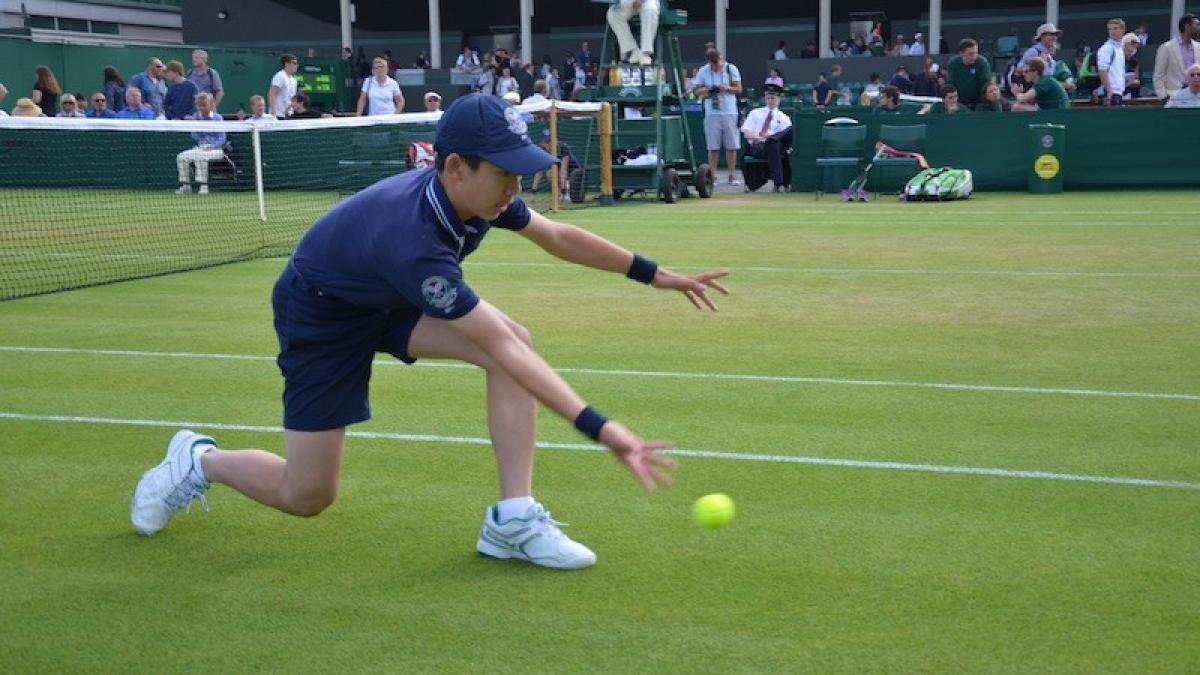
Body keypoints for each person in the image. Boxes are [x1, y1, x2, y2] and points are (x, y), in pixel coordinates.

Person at [130, 93, 726, 571]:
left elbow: (560, 238)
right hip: (322, 314)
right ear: (455, 167)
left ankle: (512, 520)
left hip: (382, 295)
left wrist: (657, 276)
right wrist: (604, 430)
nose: (517, 187)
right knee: (307, 495)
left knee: (512, 340)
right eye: (505, 174)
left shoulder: (480, 198)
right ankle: (198, 461)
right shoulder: (414, 241)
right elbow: (495, 344)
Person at [692, 49, 743, 186]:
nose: (716, 66)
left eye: (717, 63)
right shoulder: (703, 71)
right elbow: (696, 91)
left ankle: (732, 175)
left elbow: (738, 89)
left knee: (731, 146)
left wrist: (725, 88)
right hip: (712, 112)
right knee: (713, 147)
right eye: (713, 64)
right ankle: (712, 176)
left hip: (729, 111)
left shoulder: (730, 69)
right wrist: (708, 90)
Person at [740, 83, 793, 192]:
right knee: (771, 143)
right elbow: (747, 133)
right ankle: (778, 183)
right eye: (768, 98)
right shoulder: (755, 113)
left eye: (773, 98)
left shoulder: (784, 118)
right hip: (757, 147)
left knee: (773, 143)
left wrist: (770, 139)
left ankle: (778, 184)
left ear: (778, 99)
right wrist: (760, 138)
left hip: (775, 148)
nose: (770, 100)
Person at [175, 92, 226, 195]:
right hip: (200, 147)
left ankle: (203, 185)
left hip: (216, 149)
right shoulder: (196, 117)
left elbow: (222, 138)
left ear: (211, 105)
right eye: (199, 105)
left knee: (200, 157)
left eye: (204, 105)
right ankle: (186, 186)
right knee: (181, 157)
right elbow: (194, 136)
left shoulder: (218, 118)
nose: (201, 108)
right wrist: (198, 123)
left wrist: (212, 146)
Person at [1153, 14, 1200, 100]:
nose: (1199, 28)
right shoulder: (1167, 48)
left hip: (1196, 98)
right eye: (1197, 25)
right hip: (1174, 97)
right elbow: (1158, 75)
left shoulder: (1198, 47)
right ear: (1187, 26)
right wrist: (1163, 97)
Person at [607, 0, 659, 65]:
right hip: (628, 2)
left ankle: (645, 53)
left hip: (647, 2)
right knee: (613, 13)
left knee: (650, 8)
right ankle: (634, 51)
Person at [946, 38, 993, 110]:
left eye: (976, 53)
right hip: (960, 104)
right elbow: (950, 85)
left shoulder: (982, 63)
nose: (974, 56)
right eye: (970, 54)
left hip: (980, 104)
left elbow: (986, 85)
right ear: (961, 53)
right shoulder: (953, 64)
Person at [1095, 19, 1128, 106]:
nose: (1112, 32)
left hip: (1118, 93)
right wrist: (1109, 91)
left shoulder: (1120, 49)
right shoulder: (1107, 48)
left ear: (1123, 30)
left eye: (1115, 28)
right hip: (1109, 94)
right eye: (1110, 29)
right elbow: (1102, 70)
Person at [269, 54, 299, 118]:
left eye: (296, 63)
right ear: (286, 64)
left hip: (288, 115)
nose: (296, 65)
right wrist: (273, 114)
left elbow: (292, 99)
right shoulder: (280, 76)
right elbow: (272, 94)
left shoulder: (294, 81)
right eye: (294, 63)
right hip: (277, 115)